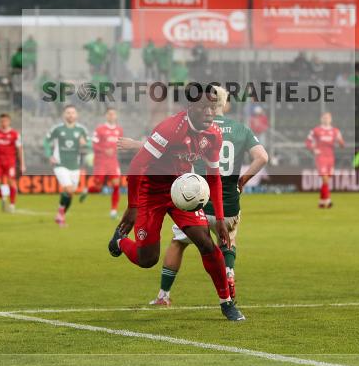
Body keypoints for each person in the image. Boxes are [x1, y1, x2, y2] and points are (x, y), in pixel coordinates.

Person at [107, 85, 245, 321]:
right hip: (151, 192)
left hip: (182, 191)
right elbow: (137, 166)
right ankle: (121, 241)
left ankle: (227, 303)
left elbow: (214, 177)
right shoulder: (170, 129)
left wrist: (220, 219)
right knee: (147, 259)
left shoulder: (213, 134)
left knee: (206, 242)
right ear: (190, 107)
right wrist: (133, 207)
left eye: (213, 107)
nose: (210, 113)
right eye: (204, 108)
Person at [147, 86, 268, 306]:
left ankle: (163, 295)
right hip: (228, 198)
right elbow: (262, 157)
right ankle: (228, 272)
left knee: (178, 242)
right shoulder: (241, 129)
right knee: (228, 242)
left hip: (196, 198)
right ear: (226, 104)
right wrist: (242, 181)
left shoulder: (198, 129)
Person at [44, 105, 90, 226]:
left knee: (70, 193)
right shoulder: (57, 129)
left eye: (73, 113)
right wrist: (50, 155)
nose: (70, 115)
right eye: (68, 113)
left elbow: (89, 145)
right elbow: (46, 142)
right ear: (64, 115)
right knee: (69, 189)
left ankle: (60, 214)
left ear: (77, 115)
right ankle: (61, 216)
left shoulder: (82, 130)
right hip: (60, 164)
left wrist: (85, 143)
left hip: (75, 166)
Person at [306, 112, 346, 209]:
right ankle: (327, 201)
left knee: (326, 180)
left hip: (330, 158)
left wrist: (340, 142)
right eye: (324, 117)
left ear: (331, 119)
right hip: (321, 157)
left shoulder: (335, 131)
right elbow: (308, 142)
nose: (326, 119)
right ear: (321, 119)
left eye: (327, 117)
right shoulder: (316, 130)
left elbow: (342, 144)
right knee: (325, 178)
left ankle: (321, 202)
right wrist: (314, 150)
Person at [0, 113, 25, 213]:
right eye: (2, 121)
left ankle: (12, 204)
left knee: (11, 182)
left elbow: (20, 149)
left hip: (10, 162)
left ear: (9, 121)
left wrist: (22, 164)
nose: (4, 123)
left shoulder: (15, 134)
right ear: (0, 122)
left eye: (5, 121)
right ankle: (2, 197)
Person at [91, 107, 124, 219]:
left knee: (116, 184)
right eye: (109, 114)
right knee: (98, 186)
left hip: (112, 161)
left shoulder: (119, 130)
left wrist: (114, 149)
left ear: (116, 116)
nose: (111, 116)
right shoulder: (100, 129)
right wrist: (104, 150)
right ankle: (87, 190)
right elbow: (94, 145)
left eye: (113, 114)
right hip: (101, 161)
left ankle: (113, 210)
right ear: (106, 115)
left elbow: (120, 144)